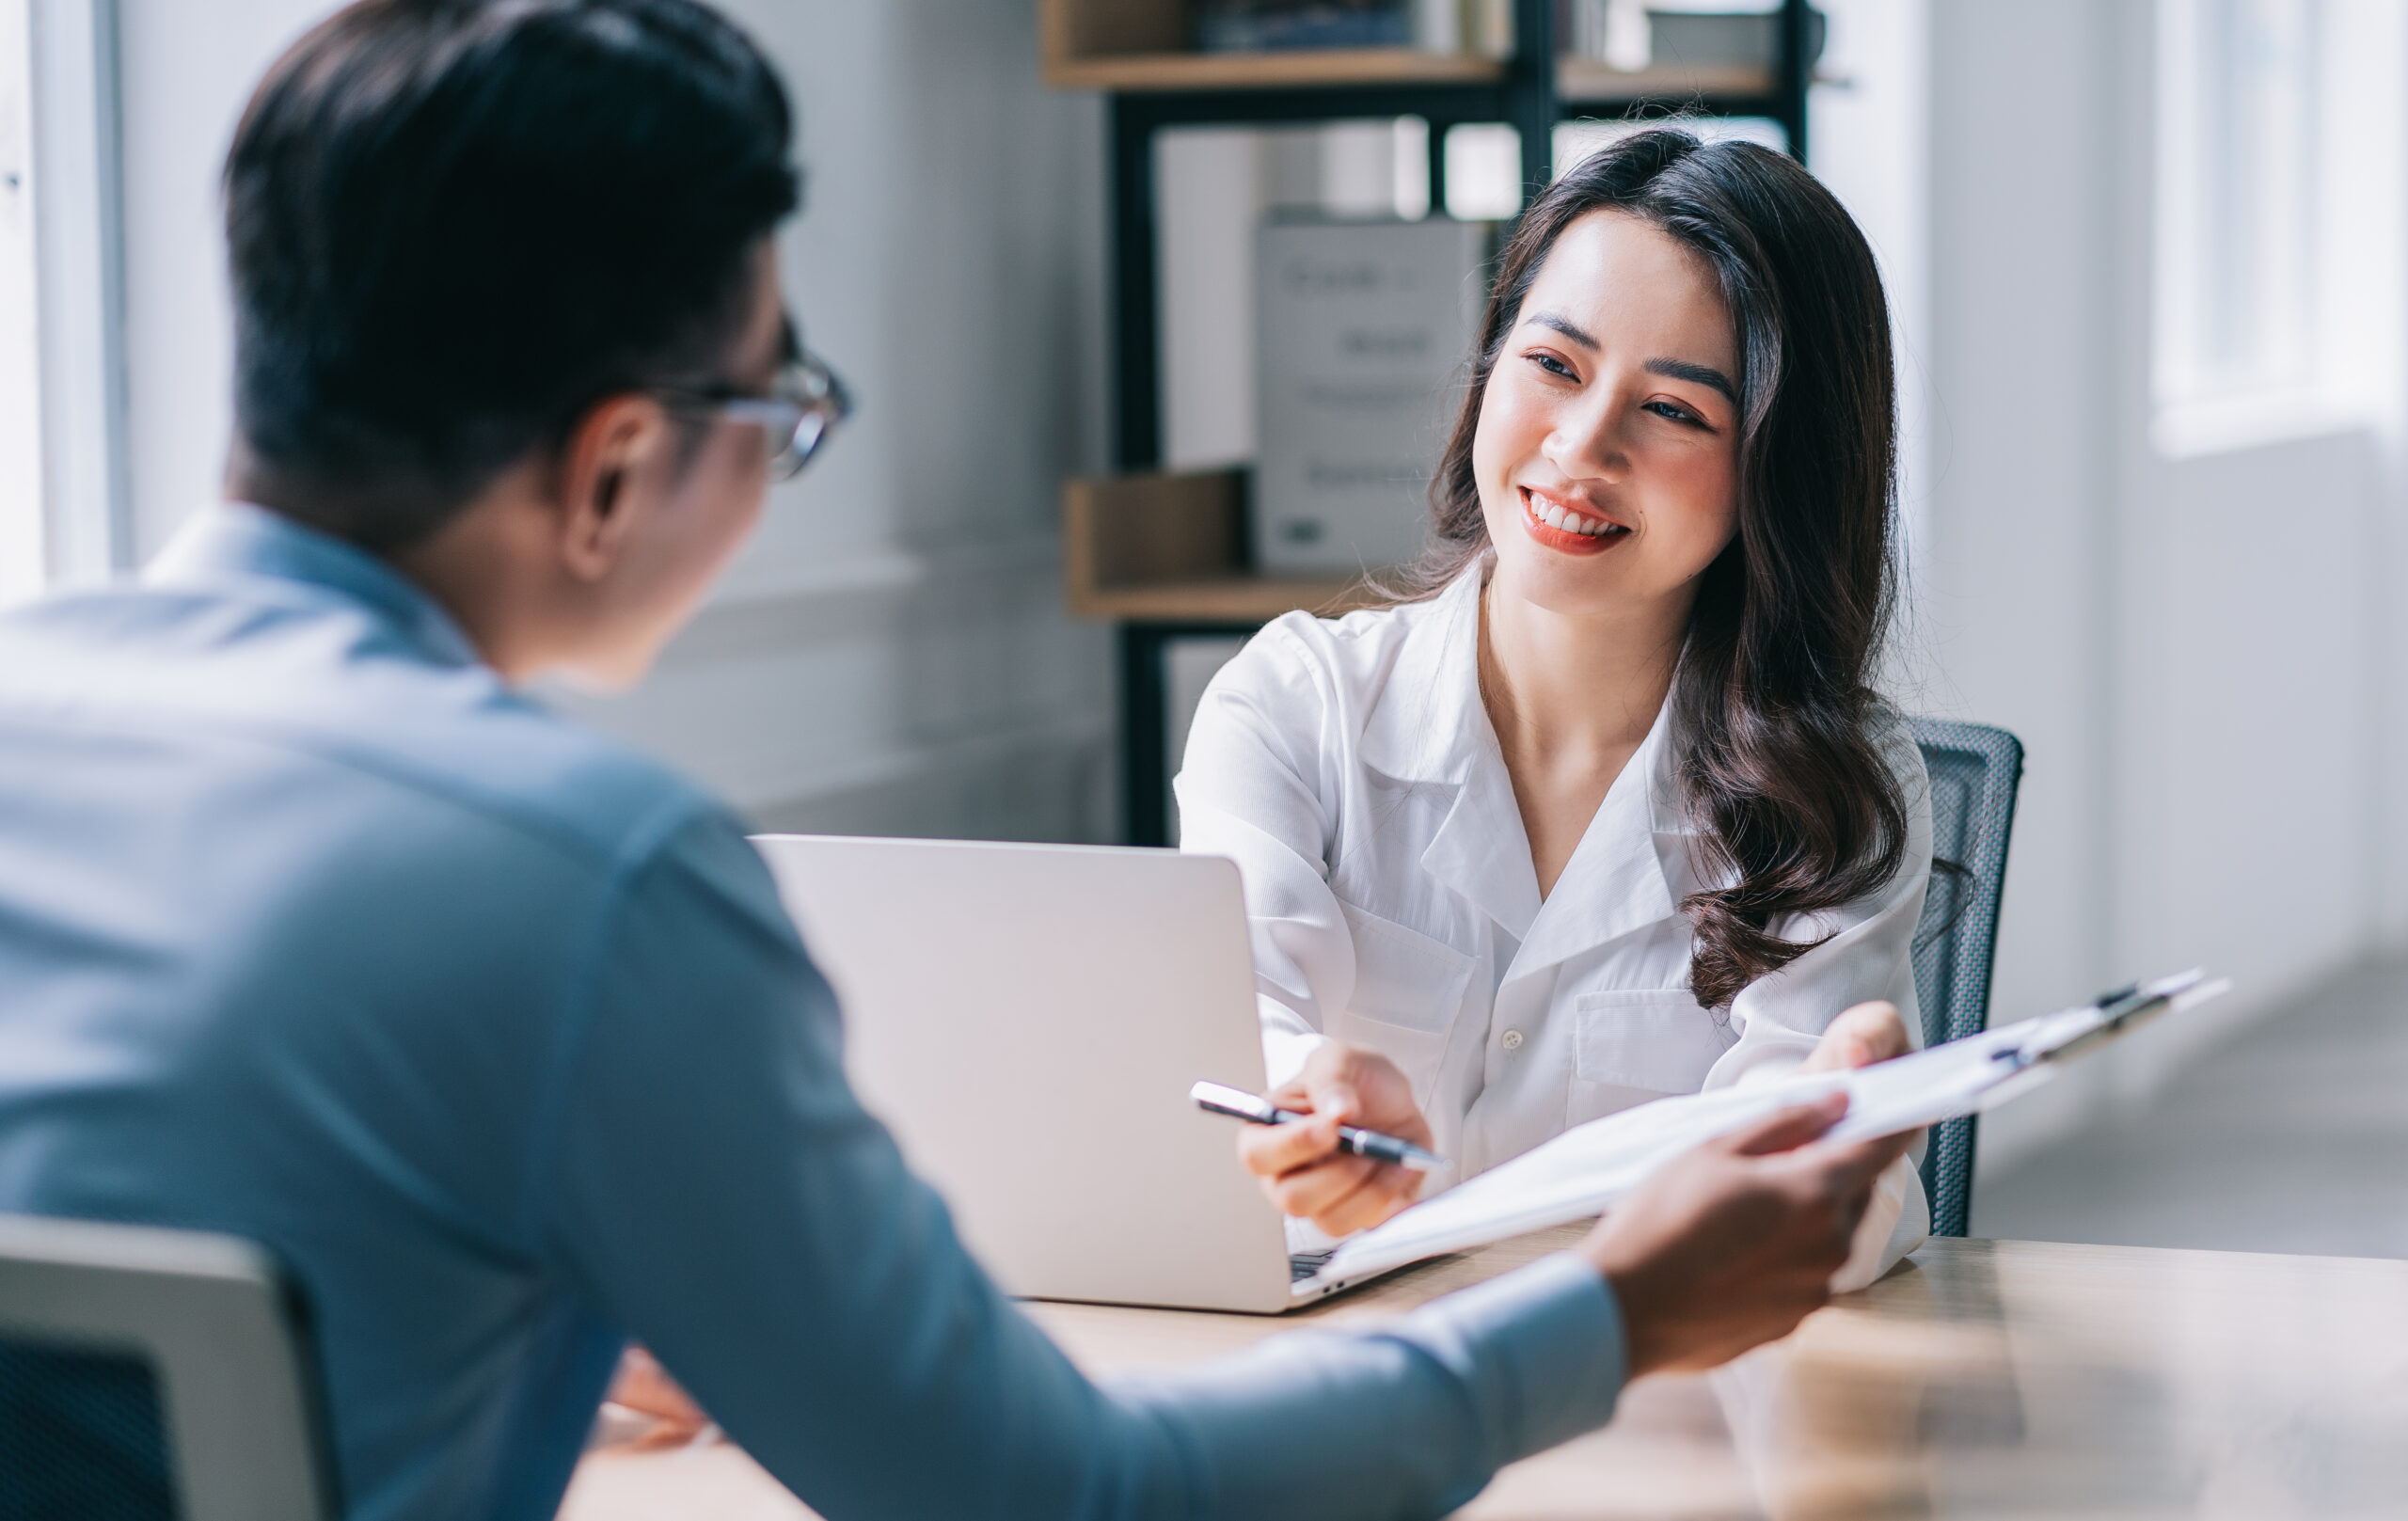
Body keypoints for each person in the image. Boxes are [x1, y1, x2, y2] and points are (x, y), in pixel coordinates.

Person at [0, 6, 1911, 1519]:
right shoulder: (594, 883)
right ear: (606, 473)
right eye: (781, 405)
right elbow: (1060, 1492)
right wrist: (1614, 1311)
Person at [1178, 129, 1935, 1287]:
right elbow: (1232, 1029)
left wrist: (1837, 1157)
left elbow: (1803, 1212)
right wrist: (1299, 1108)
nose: (1581, 449)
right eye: (1555, 366)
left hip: (1656, 1400)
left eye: (1676, 411)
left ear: (1782, 469)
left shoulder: (1834, 790)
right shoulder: (1291, 709)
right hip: (1342, 1404)